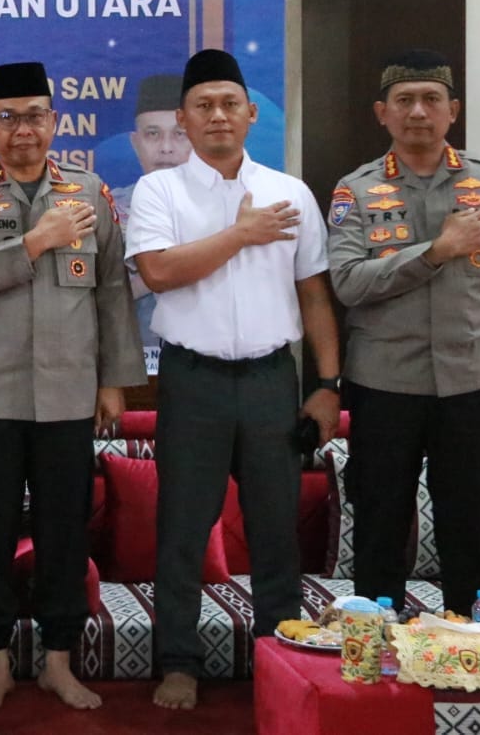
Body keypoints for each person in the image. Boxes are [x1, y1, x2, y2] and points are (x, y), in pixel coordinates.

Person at [123, 49, 341, 711]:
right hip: (193, 380)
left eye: (228, 104)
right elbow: (158, 272)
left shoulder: (289, 192)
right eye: (203, 106)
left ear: (249, 115)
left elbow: (314, 295)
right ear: (183, 120)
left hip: (273, 379)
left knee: (276, 530)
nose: (216, 115)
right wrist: (241, 234)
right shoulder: (159, 191)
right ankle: (178, 662)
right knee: (183, 528)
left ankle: (278, 657)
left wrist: (327, 384)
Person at [0, 61, 144, 713]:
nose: (22, 129)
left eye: (33, 116)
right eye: (8, 117)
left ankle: (58, 661)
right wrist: (34, 242)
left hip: (67, 395)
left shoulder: (89, 192)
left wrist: (113, 381)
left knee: (64, 534)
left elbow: (112, 292)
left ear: (54, 121)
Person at [327, 50, 480, 615]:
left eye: (431, 100)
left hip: (472, 385)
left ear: (453, 110)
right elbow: (348, 283)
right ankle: (376, 647)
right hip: (383, 386)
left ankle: (464, 647)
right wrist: (438, 251)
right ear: (382, 113)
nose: (418, 112)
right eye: (404, 101)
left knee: (467, 530)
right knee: (378, 526)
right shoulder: (356, 191)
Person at [110, 74, 192, 373]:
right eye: (153, 134)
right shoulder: (108, 209)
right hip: (129, 367)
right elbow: (94, 298)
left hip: (203, 368)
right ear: (136, 143)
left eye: (179, 134)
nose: (166, 148)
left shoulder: (226, 206)